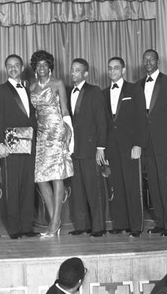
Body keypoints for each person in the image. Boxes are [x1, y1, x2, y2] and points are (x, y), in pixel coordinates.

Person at [0, 54, 39, 239]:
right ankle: (14, 228)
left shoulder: (29, 90)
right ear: (5, 69)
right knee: (12, 186)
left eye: (16, 65)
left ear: (21, 68)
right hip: (10, 143)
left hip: (29, 143)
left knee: (27, 186)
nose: (13, 68)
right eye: (9, 65)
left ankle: (27, 227)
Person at [29, 50, 73, 237]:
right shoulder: (31, 87)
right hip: (41, 133)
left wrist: (70, 134)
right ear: (34, 68)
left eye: (45, 65)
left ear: (50, 67)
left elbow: (65, 109)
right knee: (40, 178)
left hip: (56, 131)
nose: (41, 68)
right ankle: (54, 218)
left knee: (57, 176)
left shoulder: (57, 83)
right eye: (38, 65)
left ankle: (54, 222)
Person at [138, 49, 167, 237]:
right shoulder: (138, 85)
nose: (148, 62)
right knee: (153, 184)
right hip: (147, 143)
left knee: (165, 183)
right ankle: (161, 222)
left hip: (165, 142)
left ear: (158, 61)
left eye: (151, 59)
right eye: (145, 59)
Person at [102, 57, 146, 237]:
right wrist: (102, 147)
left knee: (132, 186)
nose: (113, 71)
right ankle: (121, 223)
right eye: (110, 68)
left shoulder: (134, 89)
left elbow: (141, 118)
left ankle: (136, 226)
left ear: (124, 70)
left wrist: (138, 144)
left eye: (116, 68)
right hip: (112, 147)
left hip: (130, 146)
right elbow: (103, 123)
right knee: (117, 186)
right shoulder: (103, 93)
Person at [67, 58, 108, 237]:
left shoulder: (94, 91)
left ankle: (98, 227)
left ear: (85, 73)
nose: (73, 73)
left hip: (91, 149)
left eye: (78, 70)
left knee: (94, 189)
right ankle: (81, 226)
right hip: (74, 150)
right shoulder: (67, 92)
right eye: (72, 69)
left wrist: (100, 147)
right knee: (78, 190)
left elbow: (101, 120)